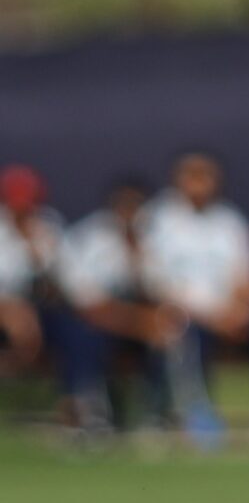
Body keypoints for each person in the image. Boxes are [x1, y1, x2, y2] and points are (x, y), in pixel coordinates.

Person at [139, 151, 249, 448]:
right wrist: (211, 315)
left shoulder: (230, 221)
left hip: (227, 313)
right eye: (191, 175)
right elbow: (154, 283)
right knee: (178, 330)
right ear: (177, 179)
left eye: (204, 175)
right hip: (180, 312)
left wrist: (241, 310)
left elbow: (246, 278)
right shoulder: (157, 219)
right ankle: (193, 412)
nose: (198, 183)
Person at [51, 176, 181, 436]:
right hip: (93, 323)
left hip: (137, 323)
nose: (129, 213)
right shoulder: (86, 237)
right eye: (124, 205)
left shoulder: (157, 239)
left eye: (136, 206)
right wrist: (139, 323)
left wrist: (137, 256)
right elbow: (86, 304)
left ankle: (159, 413)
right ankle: (90, 415)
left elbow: (164, 292)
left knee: (171, 332)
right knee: (84, 338)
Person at [0, 164, 62, 377]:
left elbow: (57, 278)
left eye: (28, 202)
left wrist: (32, 246)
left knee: (74, 329)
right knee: (20, 320)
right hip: (8, 307)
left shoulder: (49, 224)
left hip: (42, 306)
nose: (22, 209)